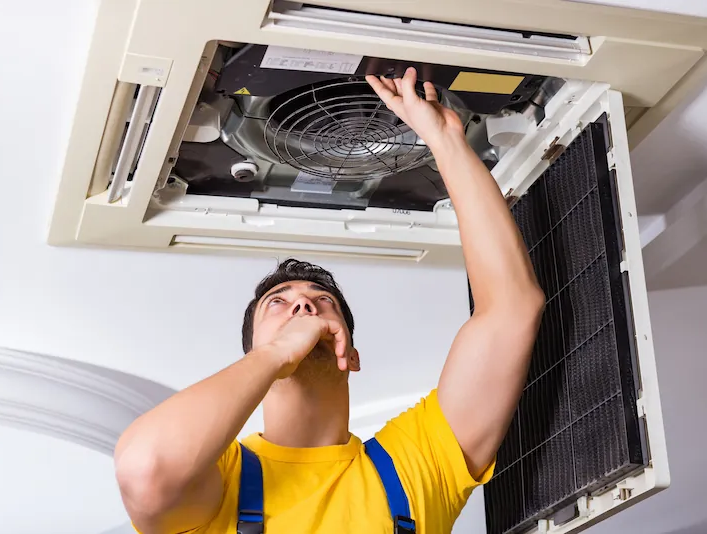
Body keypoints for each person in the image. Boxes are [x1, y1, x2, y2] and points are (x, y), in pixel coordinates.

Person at [114, 67, 546, 534]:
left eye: (323, 301)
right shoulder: (219, 484)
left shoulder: (413, 465)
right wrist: (277, 354)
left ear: (351, 355)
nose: (304, 306)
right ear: (252, 355)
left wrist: (444, 140)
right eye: (277, 303)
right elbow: (146, 469)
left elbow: (511, 309)